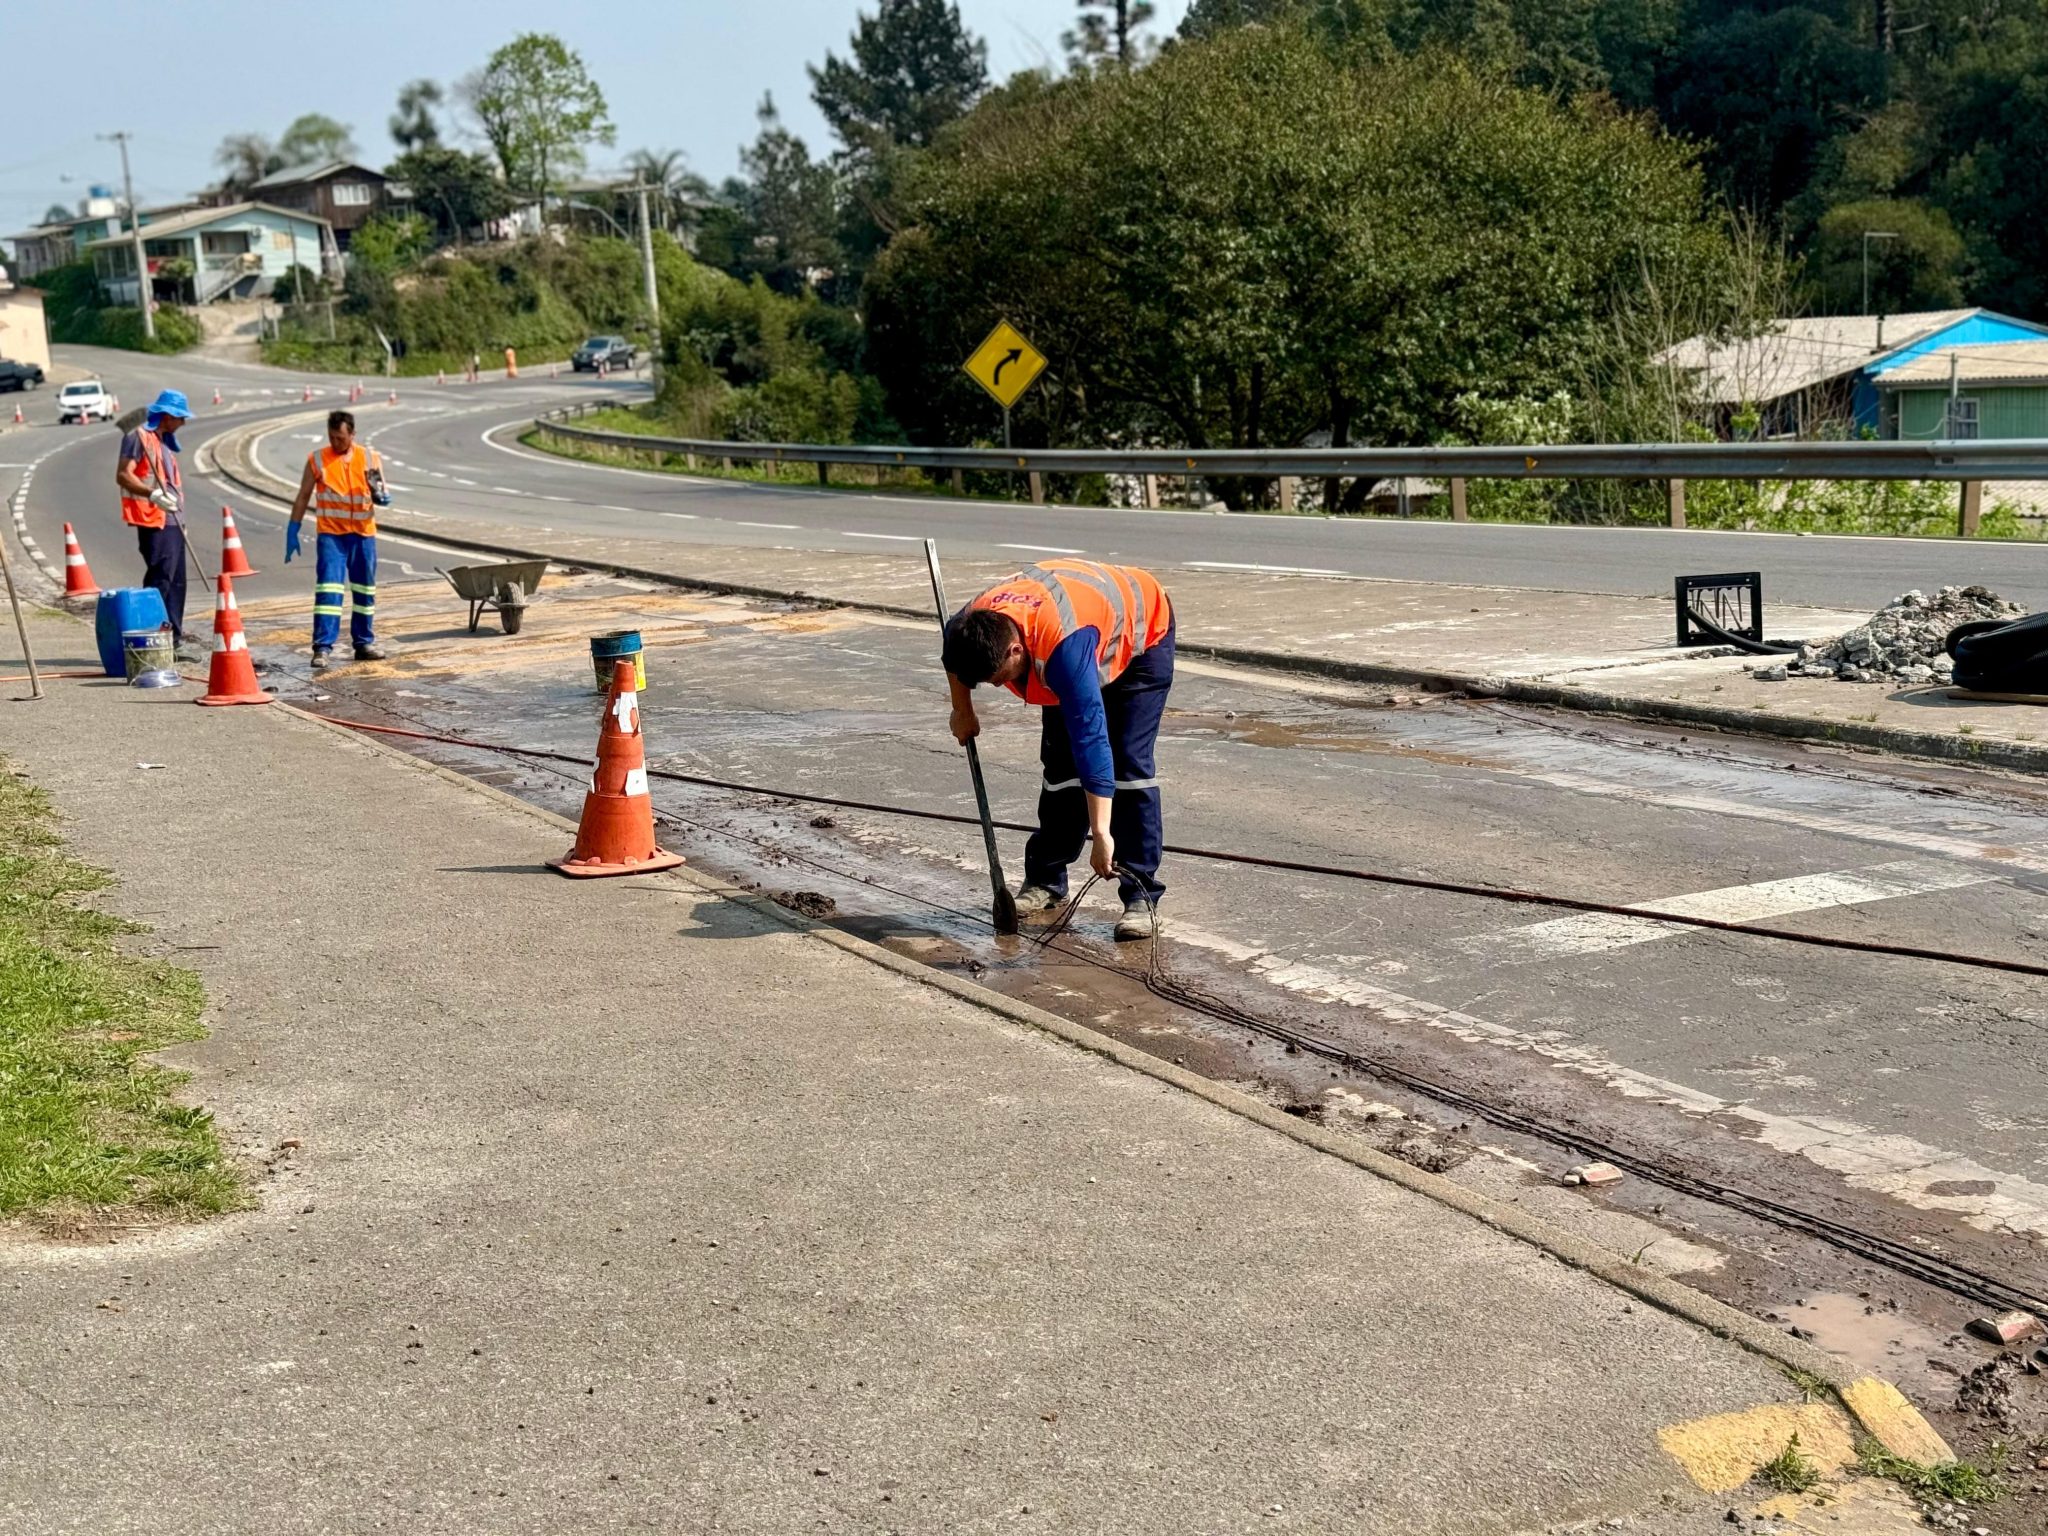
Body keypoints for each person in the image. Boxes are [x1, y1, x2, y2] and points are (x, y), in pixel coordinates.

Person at [943, 560, 1175, 941]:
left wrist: (1102, 835)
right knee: (1060, 766)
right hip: (1074, 624)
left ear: (1016, 650)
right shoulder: (966, 627)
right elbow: (953, 659)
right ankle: (1046, 881)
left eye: (1000, 678)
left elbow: (1092, 742)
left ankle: (1140, 896)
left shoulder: (1063, 653)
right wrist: (962, 709)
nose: (1001, 687)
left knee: (1127, 765)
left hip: (1141, 636)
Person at [286, 409, 390, 668]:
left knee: (365, 591)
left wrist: (384, 496)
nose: (336, 443)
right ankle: (322, 647)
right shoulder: (317, 460)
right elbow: (303, 495)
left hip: (363, 535)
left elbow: (381, 488)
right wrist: (293, 528)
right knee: (329, 591)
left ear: (352, 435)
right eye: (332, 438)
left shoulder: (369, 458)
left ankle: (363, 643)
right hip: (332, 536)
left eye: (341, 438)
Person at [114, 389, 194, 652]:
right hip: (154, 520)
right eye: (180, 418)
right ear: (168, 416)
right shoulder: (138, 438)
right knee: (160, 580)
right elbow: (124, 475)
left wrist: (181, 518)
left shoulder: (163, 443)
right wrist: (153, 493)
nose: (183, 423)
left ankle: (174, 641)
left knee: (177, 582)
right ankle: (151, 639)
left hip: (173, 521)